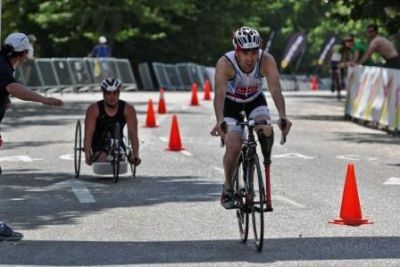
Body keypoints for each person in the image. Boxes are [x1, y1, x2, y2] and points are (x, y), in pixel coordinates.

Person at [210, 26, 292, 209]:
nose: (250, 58)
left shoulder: (267, 60)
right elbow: (219, 94)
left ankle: (256, 165)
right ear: (236, 51)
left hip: (255, 101)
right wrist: (220, 119)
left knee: (266, 130)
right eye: (245, 52)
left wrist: (283, 115)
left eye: (254, 52)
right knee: (234, 145)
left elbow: (275, 89)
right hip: (231, 105)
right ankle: (228, 187)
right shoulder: (225, 63)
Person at [0, 32, 64, 241]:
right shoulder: (2, 66)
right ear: (24, 53)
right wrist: (43, 99)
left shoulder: (3, 64)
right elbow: (13, 87)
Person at [83, 78, 141, 167]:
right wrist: (87, 153)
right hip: (99, 143)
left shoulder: (128, 109)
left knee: (120, 159)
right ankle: (101, 157)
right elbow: (88, 133)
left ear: (119, 93)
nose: (112, 96)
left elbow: (133, 133)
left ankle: (125, 156)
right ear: (103, 94)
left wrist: (136, 155)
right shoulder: (94, 109)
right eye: (108, 93)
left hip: (118, 142)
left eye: (115, 93)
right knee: (103, 161)